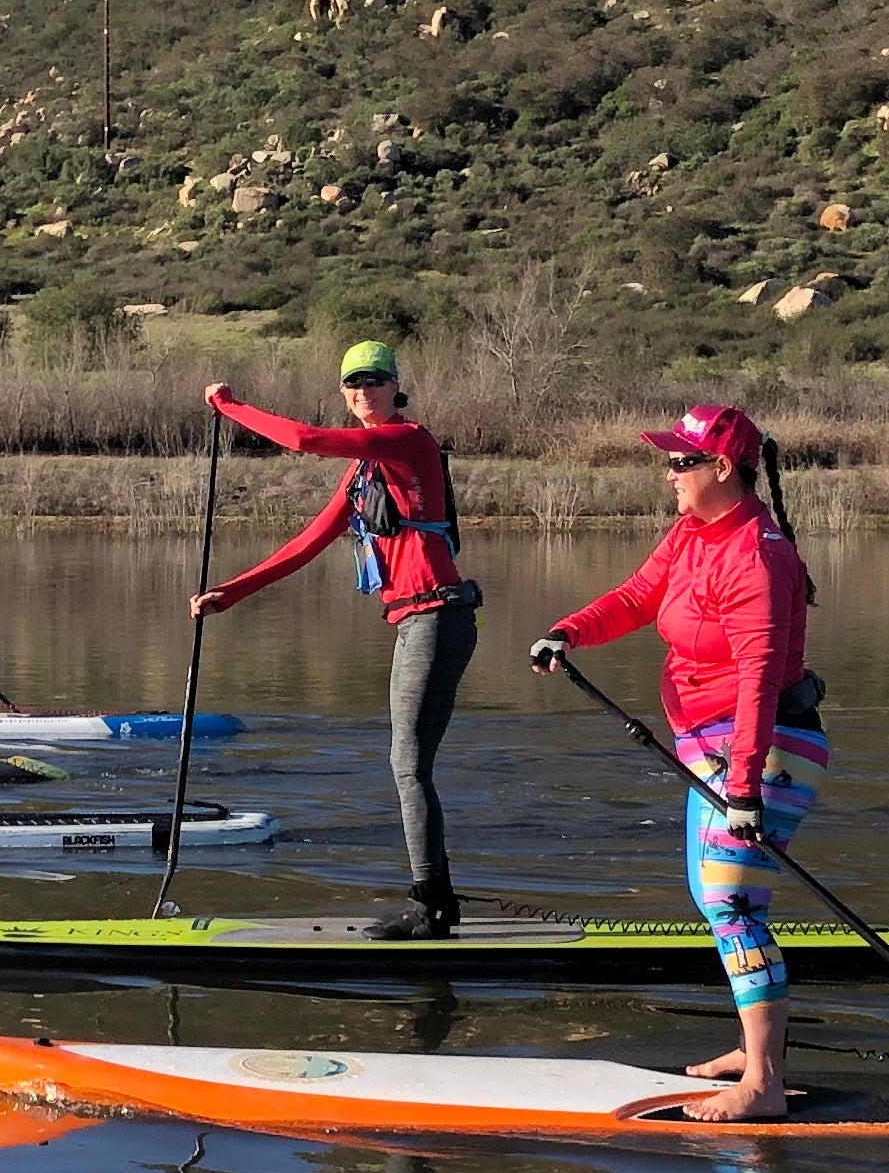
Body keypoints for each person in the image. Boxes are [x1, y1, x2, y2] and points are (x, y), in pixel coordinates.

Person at [532, 403, 820, 1122]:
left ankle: (763, 1084)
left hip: (762, 747)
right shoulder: (693, 533)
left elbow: (757, 676)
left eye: (682, 462)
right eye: (669, 461)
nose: (669, 474)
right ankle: (756, 1052)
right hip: (709, 743)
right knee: (717, 899)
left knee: (731, 903)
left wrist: (747, 790)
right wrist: (568, 632)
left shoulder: (757, 553)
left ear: (723, 468)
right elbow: (636, 597)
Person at [190, 340, 481, 938]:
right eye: (351, 383)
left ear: (394, 387)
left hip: (437, 617)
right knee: (407, 762)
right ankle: (438, 901)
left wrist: (230, 406)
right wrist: (231, 593)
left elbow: (302, 439)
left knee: (408, 763)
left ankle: (433, 905)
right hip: (411, 620)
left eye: (373, 380)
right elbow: (306, 544)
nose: (361, 391)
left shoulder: (408, 440)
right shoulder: (362, 473)